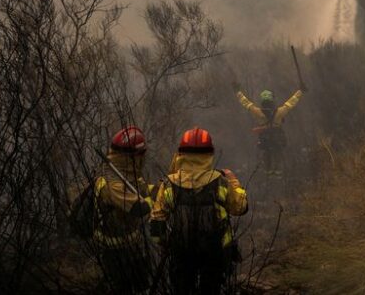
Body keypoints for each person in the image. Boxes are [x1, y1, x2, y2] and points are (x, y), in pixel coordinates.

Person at [151, 127, 248, 295]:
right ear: (210, 153)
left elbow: (157, 221)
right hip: (214, 252)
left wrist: (165, 243)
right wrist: (234, 181)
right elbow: (240, 208)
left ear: (180, 154)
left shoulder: (169, 184)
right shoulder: (220, 182)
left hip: (181, 252)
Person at [93, 126, 155, 294]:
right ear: (131, 156)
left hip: (132, 243)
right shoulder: (112, 182)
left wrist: (162, 190)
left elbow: (142, 190)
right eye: (141, 154)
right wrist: (155, 204)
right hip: (114, 251)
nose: (143, 158)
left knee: (142, 284)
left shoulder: (125, 173)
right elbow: (138, 207)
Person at [233, 84, 304, 176]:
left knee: (267, 153)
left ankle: (268, 170)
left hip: (265, 140)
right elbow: (291, 103)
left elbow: (246, 103)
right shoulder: (280, 112)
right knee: (278, 153)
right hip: (277, 139)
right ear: (272, 100)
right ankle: (278, 170)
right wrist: (300, 92)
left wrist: (238, 92)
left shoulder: (257, 112)